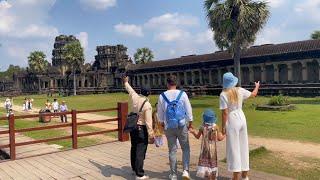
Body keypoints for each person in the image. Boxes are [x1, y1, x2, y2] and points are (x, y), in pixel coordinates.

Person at [219, 72, 260, 180]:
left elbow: (224, 113)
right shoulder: (240, 90)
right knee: (243, 146)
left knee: (234, 149)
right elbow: (253, 94)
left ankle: (236, 177)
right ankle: (245, 176)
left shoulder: (223, 94)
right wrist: (257, 86)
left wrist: (223, 128)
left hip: (232, 119)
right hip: (241, 117)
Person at [157, 75, 193, 180]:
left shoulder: (162, 96)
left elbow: (160, 114)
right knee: (185, 148)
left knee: (172, 150)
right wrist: (190, 122)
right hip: (182, 125)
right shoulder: (182, 94)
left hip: (169, 126)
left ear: (167, 84)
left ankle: (173, 174)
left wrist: (162, 124)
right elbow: (188, 110)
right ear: (176, 83)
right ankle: (186, 171)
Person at [123, 76, 154, 180]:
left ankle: (134, 168)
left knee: (134, 147)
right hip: (141, 128)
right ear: (149, 93)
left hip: (133, 127)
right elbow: (149, 123)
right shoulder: (147, 105)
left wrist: (126, 82)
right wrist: (151, 135)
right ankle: (139, 174)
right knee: (140, 150)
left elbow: (130, 90)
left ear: (140, 91)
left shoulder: (135, 97)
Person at [189, 109, 225, 180]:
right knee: (212, 164)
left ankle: (208, 176)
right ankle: (213, 177)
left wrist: (193, 132)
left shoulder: (202, 127)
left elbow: (197, 136)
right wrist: (225, 134)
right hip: (212, 150)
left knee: (206, 165)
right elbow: (220, 138)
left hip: (205, 150)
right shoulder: (215, 127)